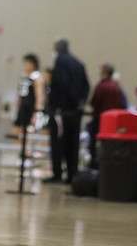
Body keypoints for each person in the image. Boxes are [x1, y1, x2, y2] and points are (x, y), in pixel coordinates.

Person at [46, 39, 90, 184]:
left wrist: (54, 106)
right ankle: (72, 174)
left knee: (57, 143)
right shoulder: (79, 64)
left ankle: (57, 174)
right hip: (76, 112)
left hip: (62, 111)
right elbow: (86, 86)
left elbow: (60, 84)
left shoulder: (60, 61)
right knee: (73, 144)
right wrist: (79, 103)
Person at [88, 63, 126, 168]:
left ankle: (94, 164)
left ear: (104, 72)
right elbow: (122, 104)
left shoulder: (101, 86)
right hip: (113, 122)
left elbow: (94, 102)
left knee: (94, 143)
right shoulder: (116, 87)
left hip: (99, 119)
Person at [14, 54, 46, 133]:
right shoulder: (24, 77)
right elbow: (20, 94)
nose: (25, 66)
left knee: (28, 133)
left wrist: (37, 112)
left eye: (27, 64)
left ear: (33, 65)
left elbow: (40, 96)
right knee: (16, 132)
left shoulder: (37, 77)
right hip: (23, 108)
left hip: (31, 109)